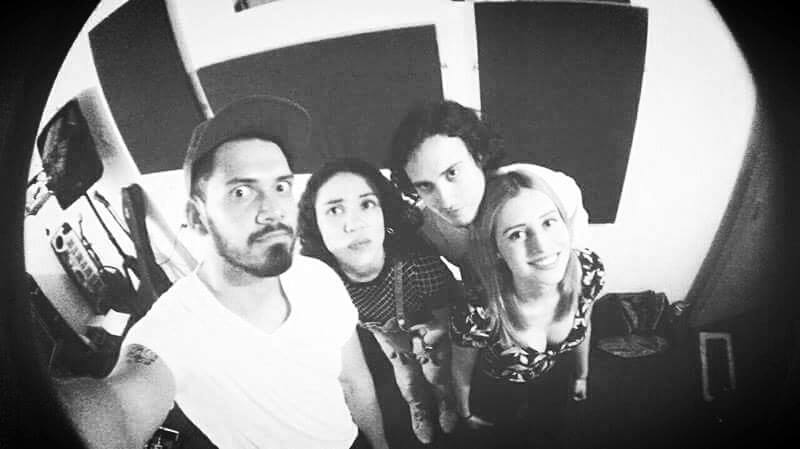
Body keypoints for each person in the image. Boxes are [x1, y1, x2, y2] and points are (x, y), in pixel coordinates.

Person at [52, 96, 389, 449]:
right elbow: (119, 409)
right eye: (241, 191)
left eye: (281, 186)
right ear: (197, 217)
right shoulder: (172, 329)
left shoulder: (318, 279)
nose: (273, 210)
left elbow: (355, 382)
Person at [388, 99, 590, 429]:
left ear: (479, 156)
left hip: (555, 325)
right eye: (425, 186)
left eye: (452, 173)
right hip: (490, 335)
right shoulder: (430, 228)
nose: (446, 200)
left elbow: (567, 264)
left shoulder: (553, 191)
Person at [297, 158, 459, 445]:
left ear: (384, 211)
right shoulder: (325, 284)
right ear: (316, 225)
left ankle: (446, 400)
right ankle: (418, 407)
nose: (354, 224)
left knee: (436, 373)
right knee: (407, 377)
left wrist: (429, 337)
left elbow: (449, 316)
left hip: (429, 328)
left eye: (367, 204)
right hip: (383, 331)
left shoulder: (417, 264)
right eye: (334, 210)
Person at [451, 171, 605, 447]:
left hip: (556, 380)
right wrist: (465, 413)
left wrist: (582, 375)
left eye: (548, 222)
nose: (541, 245)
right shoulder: (478, 311)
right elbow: (462, 368)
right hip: (499, 394)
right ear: (496, 249)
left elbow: (586, 322)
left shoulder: (589, 271)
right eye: (517, 234)